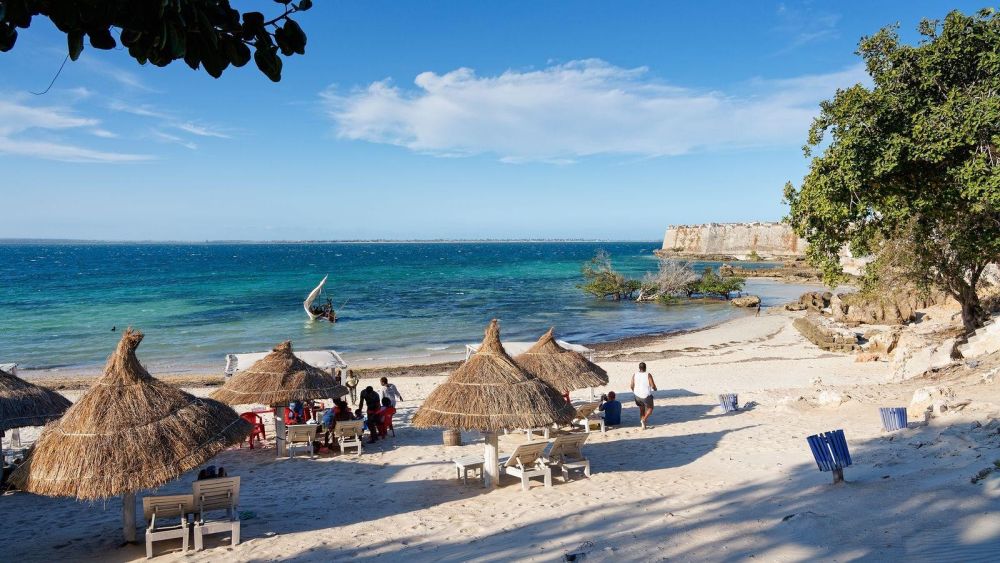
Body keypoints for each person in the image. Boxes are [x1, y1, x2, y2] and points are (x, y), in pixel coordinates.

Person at [630, 362, 657, 429]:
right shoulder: (648, 374)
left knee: (642, 409)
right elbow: (652, 385)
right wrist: (655, 388)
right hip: (646, 395)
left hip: (637, 395)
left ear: (639, 368)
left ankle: (643, 425)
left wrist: (635, 391)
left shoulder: (635, 374)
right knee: (650, 409)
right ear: (645, 368)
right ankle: (644, 419)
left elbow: (631, 385)